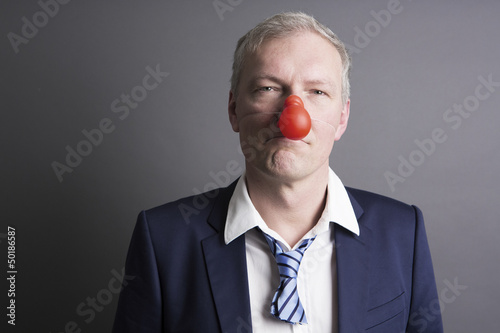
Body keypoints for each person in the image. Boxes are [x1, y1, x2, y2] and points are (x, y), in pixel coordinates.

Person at [113, 12, 443, 333]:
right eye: (268, 88)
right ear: (234, 110)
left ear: (342, 117)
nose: (291, 115)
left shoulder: (402, 233)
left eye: (317, 92)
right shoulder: (163, 240)